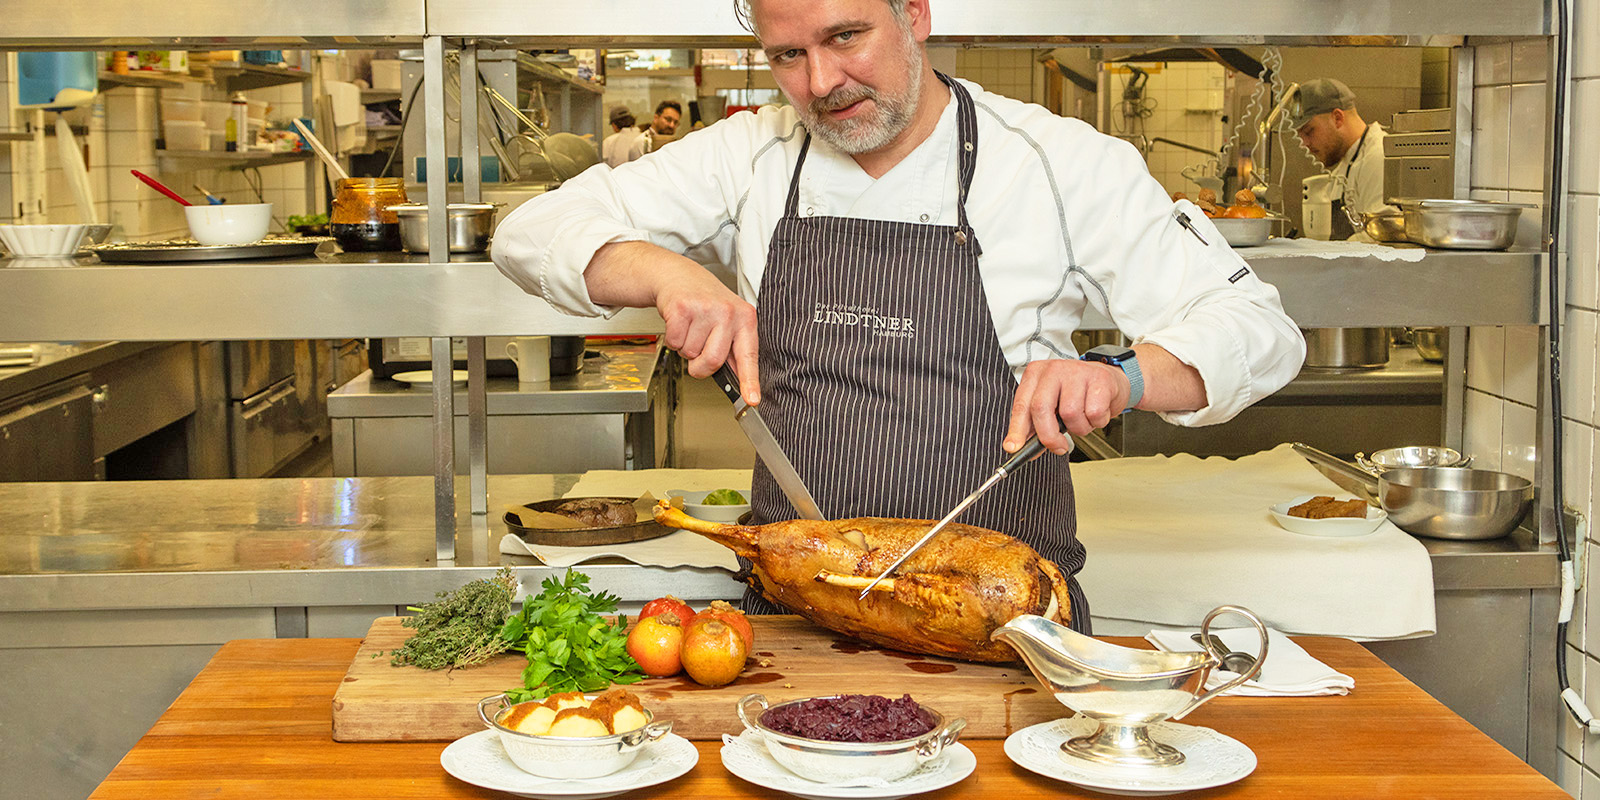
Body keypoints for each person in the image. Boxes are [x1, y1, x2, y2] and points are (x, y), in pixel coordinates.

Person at [492, 0, 1304, 630]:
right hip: (798, 613)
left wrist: (1120, 377)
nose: (819, 83)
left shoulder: (1060, 162)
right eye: (787, 55)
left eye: (847, 37)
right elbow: (527, 232)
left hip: (1001, 622)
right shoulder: (749, 153)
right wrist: (665, 271)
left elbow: (1254, 327)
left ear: (915, 15)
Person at [1291, 78, 1390, 240]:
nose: (1304, 144)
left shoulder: (1379, 157)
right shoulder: (1345, 164)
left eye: (1309, 132)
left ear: (1337, 118)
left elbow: (1382, 238)